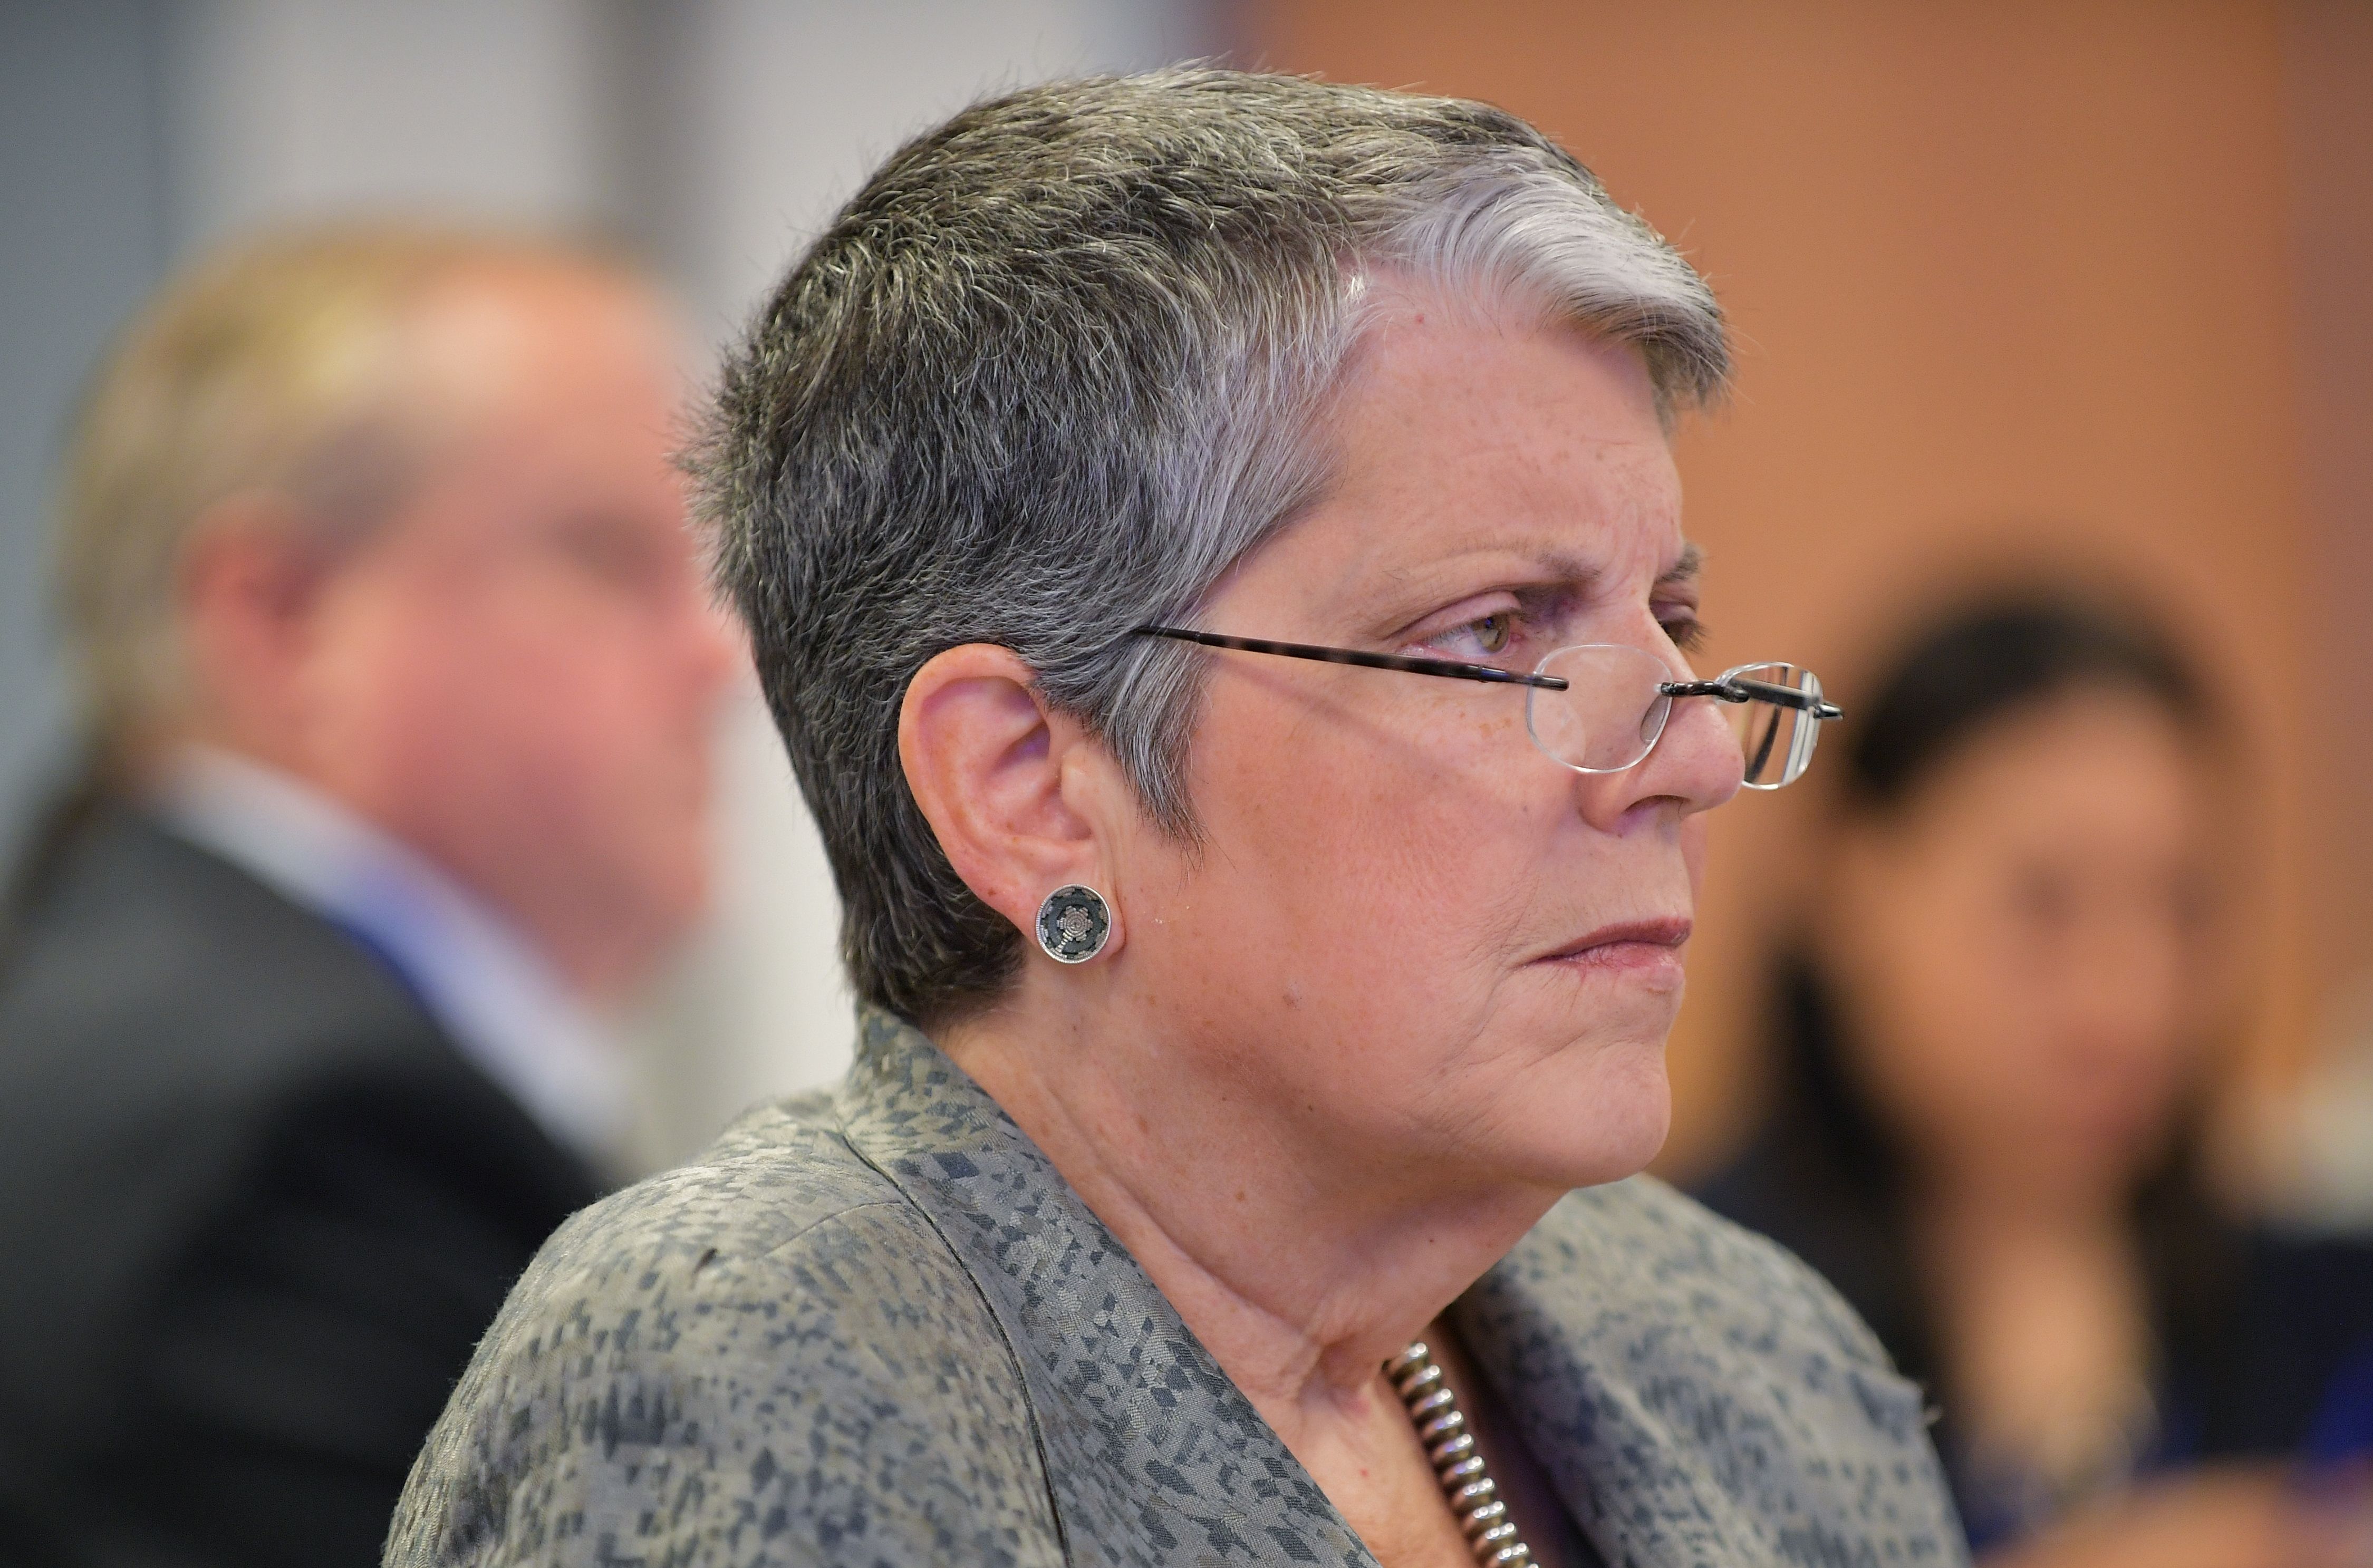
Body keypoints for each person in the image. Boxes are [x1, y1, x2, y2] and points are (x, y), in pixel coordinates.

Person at [388, 70, 1959, 1567]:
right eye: (1492, 633)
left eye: (1671, 621)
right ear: (1027, 786)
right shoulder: (748, 1357)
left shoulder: (1750, 1350)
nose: (1691, 754)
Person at [0, 226, 738, 1565]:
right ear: (283, 619)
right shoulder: (308, 1147)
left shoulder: (150, 1013)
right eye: (606, 554)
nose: (718, 657)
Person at [1694, 592, 2373, 1568]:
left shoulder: (2327, 1319)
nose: (2130, 1005)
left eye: (2184, 908)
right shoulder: (1679, 1318)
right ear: (1845, 880)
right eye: (2043, 903)